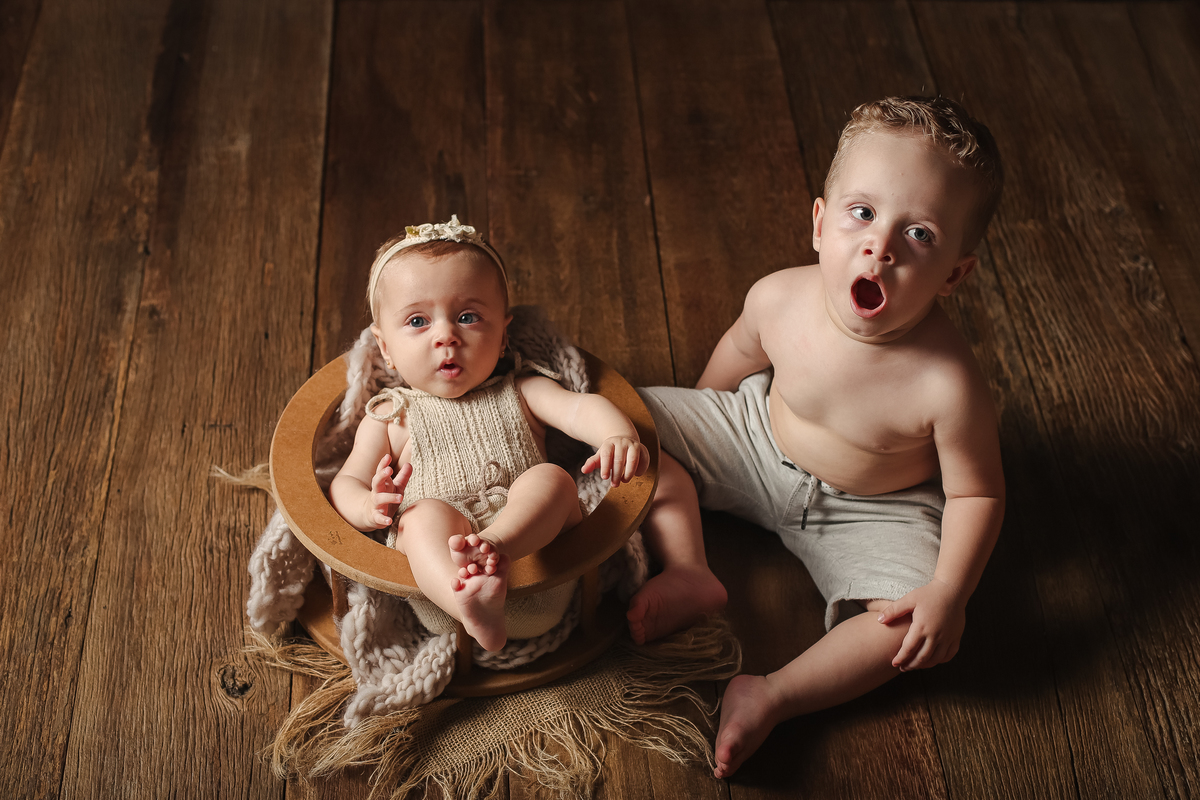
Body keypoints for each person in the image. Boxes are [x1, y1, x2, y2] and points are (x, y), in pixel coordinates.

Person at [632, 96, 1007, 778]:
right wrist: (700, 417)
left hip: (873, 507)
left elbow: (977, 494)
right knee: (627, 425)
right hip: (756, 439)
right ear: (818, 222)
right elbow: (739, 354)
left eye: (919, 233)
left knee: (909, 628)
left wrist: (949, 592)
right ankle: (689, 568)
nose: (881, 246)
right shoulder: (779, 297)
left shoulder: (948, 385)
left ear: (955, 272)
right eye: (861, 212)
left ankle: (772, 695)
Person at [329, 216, 653, 653]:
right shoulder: (390, 416)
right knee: (418, 518)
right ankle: (472, 600)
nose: (446, 336)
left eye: (468, 317)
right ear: (385, 347)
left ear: (503, 335)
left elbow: (580, 408)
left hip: (541, 574)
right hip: (441, 591)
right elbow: (346, 482)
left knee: (553, 480)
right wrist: (369, 506)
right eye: (418, 321)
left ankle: (494, 547)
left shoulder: (522, 391)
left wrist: (617, 436)